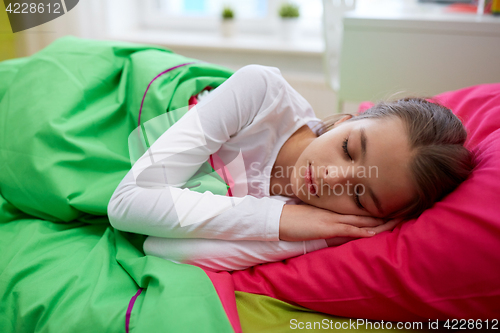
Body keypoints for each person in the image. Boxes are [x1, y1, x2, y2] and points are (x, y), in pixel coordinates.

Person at [107, 65, 474, 272]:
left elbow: (160, 248)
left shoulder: (312, 221)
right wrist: (278, 221)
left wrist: (316, 236)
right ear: (345, 120)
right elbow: (126, 203)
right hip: (109, 102)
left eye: (360, 196)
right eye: (348, 149)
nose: (332, 178)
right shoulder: (261, 92)